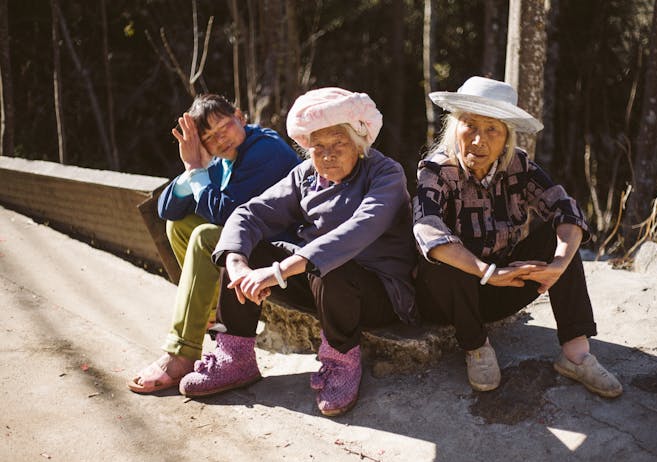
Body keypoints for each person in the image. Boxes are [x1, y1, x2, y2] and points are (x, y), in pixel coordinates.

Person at [177, 87, 418, 416]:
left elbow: (355, 233)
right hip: (318, 285)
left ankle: (341, 362)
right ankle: (234, 355)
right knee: (247, 247)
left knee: (334, 266)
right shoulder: (306, 175)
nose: (327, 155)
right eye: (318, 147)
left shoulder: (386, 174)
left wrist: (278, 271)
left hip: (378, 294)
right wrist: (237, 264)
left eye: (338, 144)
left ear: (360, 143)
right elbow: (249, 214)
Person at [412, 76, 622, 398]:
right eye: (470, 125)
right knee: (439, 261)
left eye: (492, 129)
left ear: (507, 135)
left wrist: (559, 263)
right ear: (455, 127)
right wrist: (486, 272)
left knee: (560, 242)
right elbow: (427, 229)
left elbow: (564, 208)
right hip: (449, 298)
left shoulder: (519, 165)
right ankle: (476, 347)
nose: (479, 140)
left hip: (502, 288)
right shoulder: (437, 170)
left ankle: (576, 354)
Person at [128, 94, 299, 393]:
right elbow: (166, 210)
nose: (220, 140)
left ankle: (183, 351)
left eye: (223, 128)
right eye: (208, 138)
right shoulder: (221, 160)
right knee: (179, 226)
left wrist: (197, 172)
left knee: (206, 236)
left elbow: (225, 213)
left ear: (240, 117)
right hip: (254, 244)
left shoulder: (265, 150)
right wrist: (192, 169)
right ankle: (209, 315)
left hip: (284, 250)